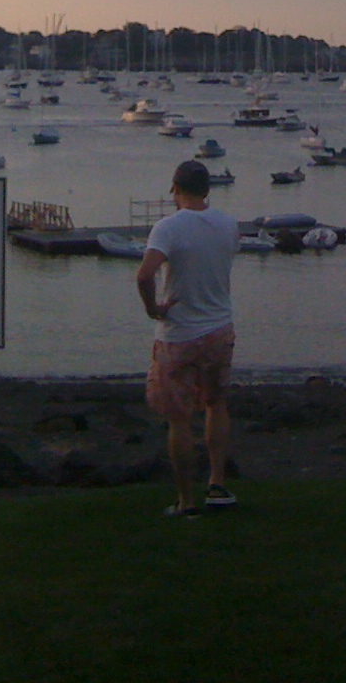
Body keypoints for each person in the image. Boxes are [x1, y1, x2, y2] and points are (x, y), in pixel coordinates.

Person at [135, 159, 241, 518]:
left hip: (179, 333)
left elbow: (144, 275)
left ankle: (186, 501)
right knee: (216, 404)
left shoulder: (168, 228)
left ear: (175, 189)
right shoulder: (228, 225)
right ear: (207, 190)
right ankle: (217, 483)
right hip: (219, 328)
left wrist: (153, 308)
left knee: (179, 419)